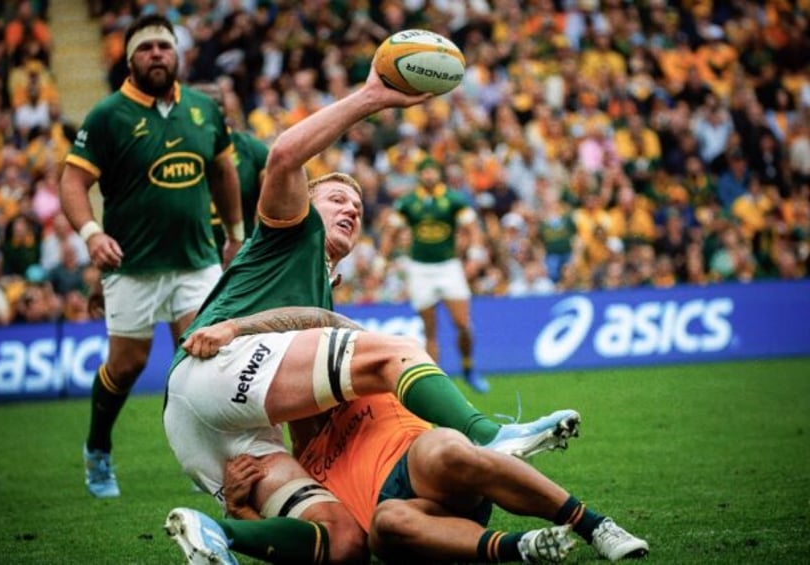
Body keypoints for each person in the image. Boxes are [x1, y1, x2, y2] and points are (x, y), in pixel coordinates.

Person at [162, 66, 580, 563]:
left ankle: (215, 534)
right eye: (336, 198)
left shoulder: (322, 289)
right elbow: (284, 155)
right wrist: (371, 98)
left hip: (215, 430)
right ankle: (490, 435)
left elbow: (308, 431)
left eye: (358, 206)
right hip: (215, 368)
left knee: (344, 542)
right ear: (304, 205)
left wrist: (240, 507)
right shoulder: (291, 232)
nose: (351, 209)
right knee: (396, 352)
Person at [165, 307, 648, 564]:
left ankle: (594, 526)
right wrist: (238, 505)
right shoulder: (299, 470)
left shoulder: (359, 379)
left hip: (428, 464)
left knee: (441, 450)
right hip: (411, 518)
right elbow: (316, 540)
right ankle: (520, 548)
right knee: (385, 526)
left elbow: (319, 320)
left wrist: (238, 327)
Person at [59, 13, 244, 498]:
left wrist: (235, 233)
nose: (157, 54)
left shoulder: (204, 110)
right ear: (129, 58)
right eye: (146, 48)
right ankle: (98, 450)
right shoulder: (108, 116)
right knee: (126, 367)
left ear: (178, 53)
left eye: (164, 45)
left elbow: (224, 171)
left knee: (201, 361)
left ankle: (213, 466)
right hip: (131, 266)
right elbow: (72, 182)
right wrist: (92, 234)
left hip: (196, 262)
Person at [381, 156, 490, 392]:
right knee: (430, 329)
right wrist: (382, 259)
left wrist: (475, 252)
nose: (429, 176)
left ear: (438, 174)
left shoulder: (453, 199)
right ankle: (438, 384)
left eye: (432, 172)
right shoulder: (408, 202)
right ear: (420, 175)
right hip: (419, 268)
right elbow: (391, 231)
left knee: (462, 323)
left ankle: (468, 367)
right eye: (425, 172)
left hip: (448, 266)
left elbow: (472, 228)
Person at [191, 81, 269, 258]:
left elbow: (268, 212)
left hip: (240, 259)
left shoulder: (253, 151)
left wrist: (256, 253)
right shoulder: (174, 148)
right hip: (191, 258)